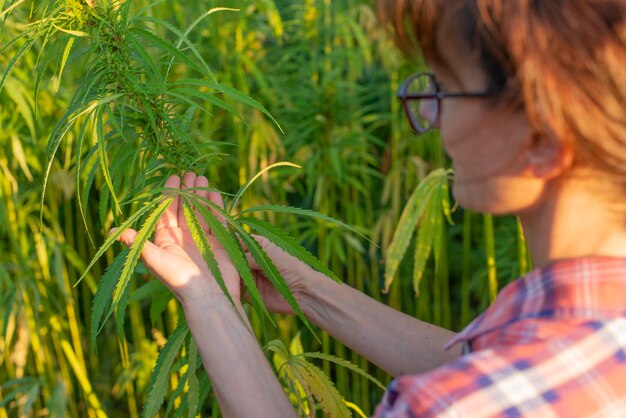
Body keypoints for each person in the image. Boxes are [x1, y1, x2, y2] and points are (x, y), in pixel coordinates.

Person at [115, 0, 626, 416]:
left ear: (542, 133)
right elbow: (491, 361)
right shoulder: (582, 334)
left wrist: (206, 296)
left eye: (444, 89)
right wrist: (307, 289)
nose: (430, 120)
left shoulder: (456, 407)